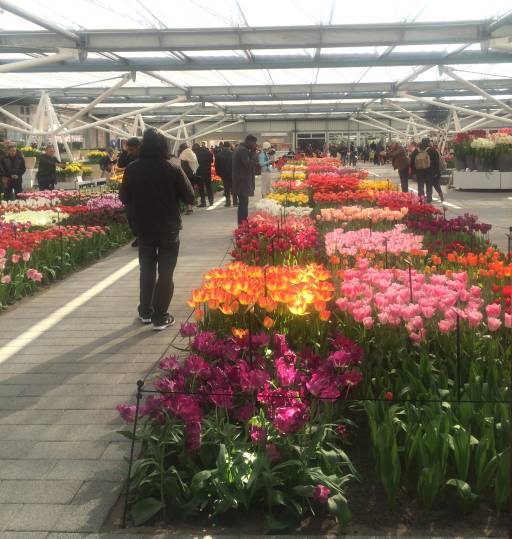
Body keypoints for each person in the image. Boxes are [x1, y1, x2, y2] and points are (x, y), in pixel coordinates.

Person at [120, 129, 195, 331]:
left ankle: (145, 311)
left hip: (143, 228)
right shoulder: (172, 168)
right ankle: (160, 316)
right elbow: (190, 197)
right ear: (164, 146)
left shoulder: (132, 168)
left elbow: (124, 198)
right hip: (168, 228)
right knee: (165, 272)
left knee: (146, 270)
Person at [233, 134, 257, 225]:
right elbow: (249, 165)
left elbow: (245, 162)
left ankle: (242, 224)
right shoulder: (242, 151)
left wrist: (252, 152)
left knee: (243, 204)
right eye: (254, 143)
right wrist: (254, 155)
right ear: (249, 142)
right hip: (242, 182)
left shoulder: (241, 149)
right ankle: (243, 225)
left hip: (240, 181)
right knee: (243, 205)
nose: (254, 145)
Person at [410, 138, 440, 203]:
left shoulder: (416, 151)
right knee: (429, 185)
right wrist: (436, 172)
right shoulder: (432, 150)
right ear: (428, 143)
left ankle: (421, 198)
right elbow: (436, 162)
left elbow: (412, 161)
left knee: (420, 185)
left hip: (419, 171)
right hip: (429, 171)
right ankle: (429, 198)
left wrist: (413, 171)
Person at [178, 142, 199, 214]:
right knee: (191, 189)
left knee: (186, 191)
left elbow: (180, 166)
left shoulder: (183, 154)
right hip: (192, 173)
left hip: (185, 175)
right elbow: (195, 164)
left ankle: (189, 208)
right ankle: (192, 203)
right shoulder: (191, 152)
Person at [215, 141, 236, 207]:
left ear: (223, 146)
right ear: (229, 146)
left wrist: (219, 173)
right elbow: (236, 165)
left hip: (223, 174)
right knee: (234, 187)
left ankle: (227, 202)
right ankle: (235, 202)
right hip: (232, 173)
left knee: (226, 188)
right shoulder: (233, 154)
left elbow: (216, 165)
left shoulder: (219, 154)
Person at [193, 142, 214, 207]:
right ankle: (211, 201)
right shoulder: (207, 151)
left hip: (200, 173)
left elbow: (195, 164)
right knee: (209, 187)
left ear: (195, 148)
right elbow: (211, 161)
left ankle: (203, 203)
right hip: (207, 171)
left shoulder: (195, 153)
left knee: (201, 188)